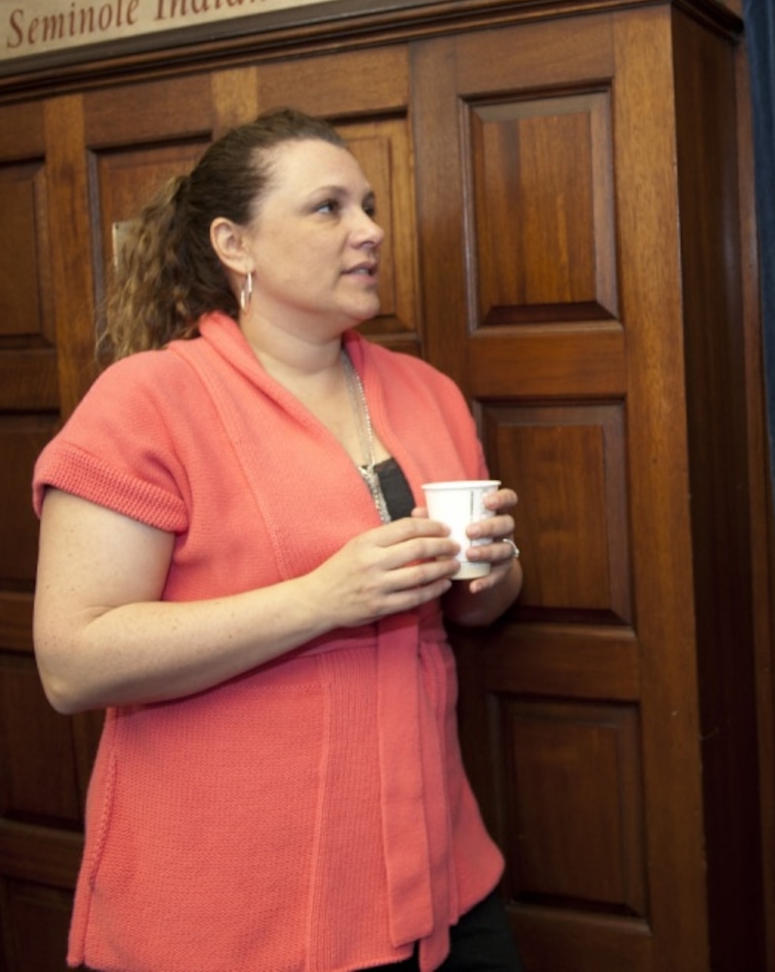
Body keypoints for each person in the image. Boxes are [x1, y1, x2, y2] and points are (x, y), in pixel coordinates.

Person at [32, 109, 528, 972]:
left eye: (368, 206)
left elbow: (477, 613)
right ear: (236, 243)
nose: (369, 230)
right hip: (229, 917)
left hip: (441, 889)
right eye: (328, 209)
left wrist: (492, 568)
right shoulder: (146, 399)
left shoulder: (429, 393)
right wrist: (320, 599)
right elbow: (74, 661)